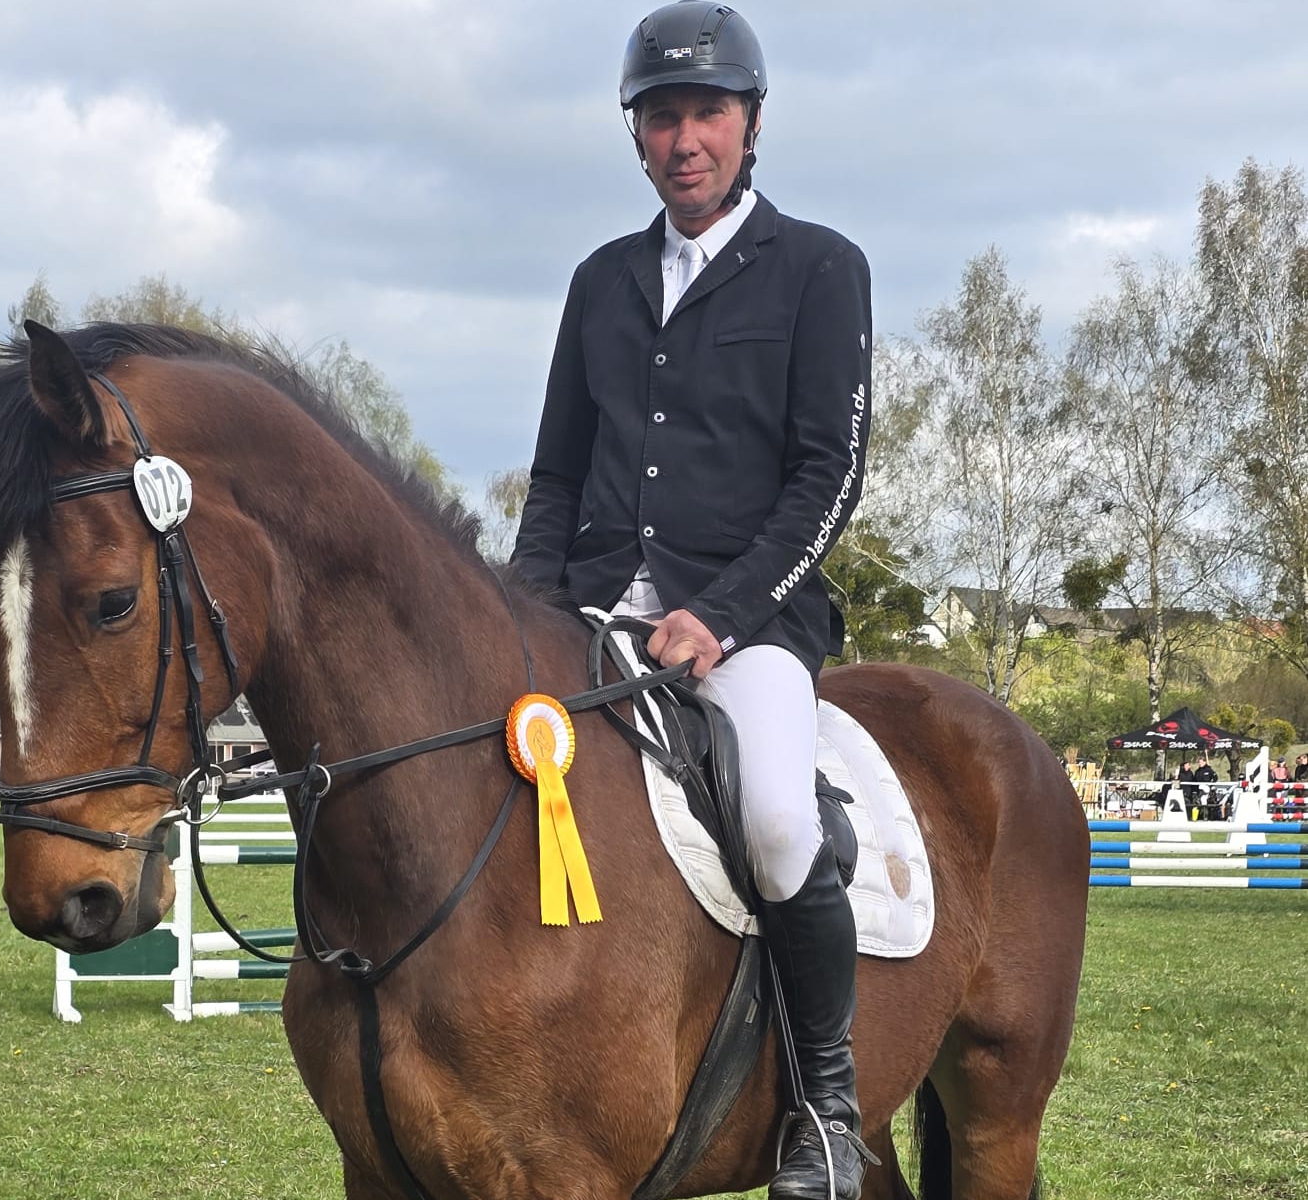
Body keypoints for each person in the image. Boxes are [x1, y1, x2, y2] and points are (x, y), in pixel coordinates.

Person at [510, 4, 873, 1196]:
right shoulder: (597, 281)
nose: (684, 139)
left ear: (752, 122)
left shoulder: (822, 267)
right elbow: (557, 474)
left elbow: (831, 474)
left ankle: (825, 1103)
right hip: (590, 616)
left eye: (707, 112)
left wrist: (720, 613)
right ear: (636, 134)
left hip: (749, 626)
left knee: (775, 817)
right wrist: (521, 618)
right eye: (661, 116)